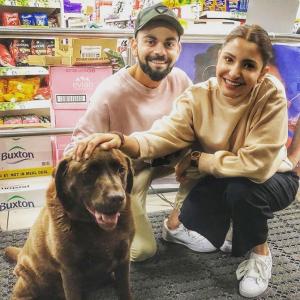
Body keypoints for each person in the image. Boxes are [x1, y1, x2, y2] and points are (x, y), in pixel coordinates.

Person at [72, 24, 299, 298]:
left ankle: (260, 253)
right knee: (162, 237)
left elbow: (258, 166)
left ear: (262, 72)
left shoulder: (268, 93)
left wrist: (197, 160)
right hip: (205, 170)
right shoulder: (196, 94)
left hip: (272, 176)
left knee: (243, 193)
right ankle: (186, 225)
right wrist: (121, 140)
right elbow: (164, 134)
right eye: (229, 59)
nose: (234, 72)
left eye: (248, 65)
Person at [65, 3, 217, 263]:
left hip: (168, 160)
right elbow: (74, 150)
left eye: (169, 43)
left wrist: (195, 157)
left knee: (209, 153)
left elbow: (199, 124)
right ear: (134, 46)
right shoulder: (111, 92)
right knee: (142, 251)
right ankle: (104, 235)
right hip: (128, 174)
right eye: (150, 41)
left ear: (178, 49)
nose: (160, 51)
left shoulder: (180, 79)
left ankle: (175, 225)